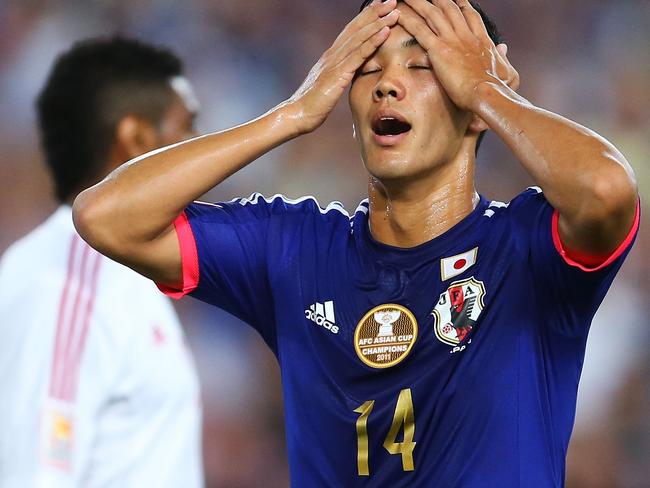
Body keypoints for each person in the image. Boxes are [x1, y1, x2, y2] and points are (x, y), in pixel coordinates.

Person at [72, 0, 640, 485]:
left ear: (473, 107)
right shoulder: (296, 249)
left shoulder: (526, 249)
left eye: (423, 65)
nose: (387, 85)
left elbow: (607, 189)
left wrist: (489, 94)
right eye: (366, 70)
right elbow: (106, 216)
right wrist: (290, 115)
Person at [0, 37, 203, 487]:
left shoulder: (121, 274)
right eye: (187, 127)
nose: (204, 149)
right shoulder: (67, 279)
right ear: (136, 140)